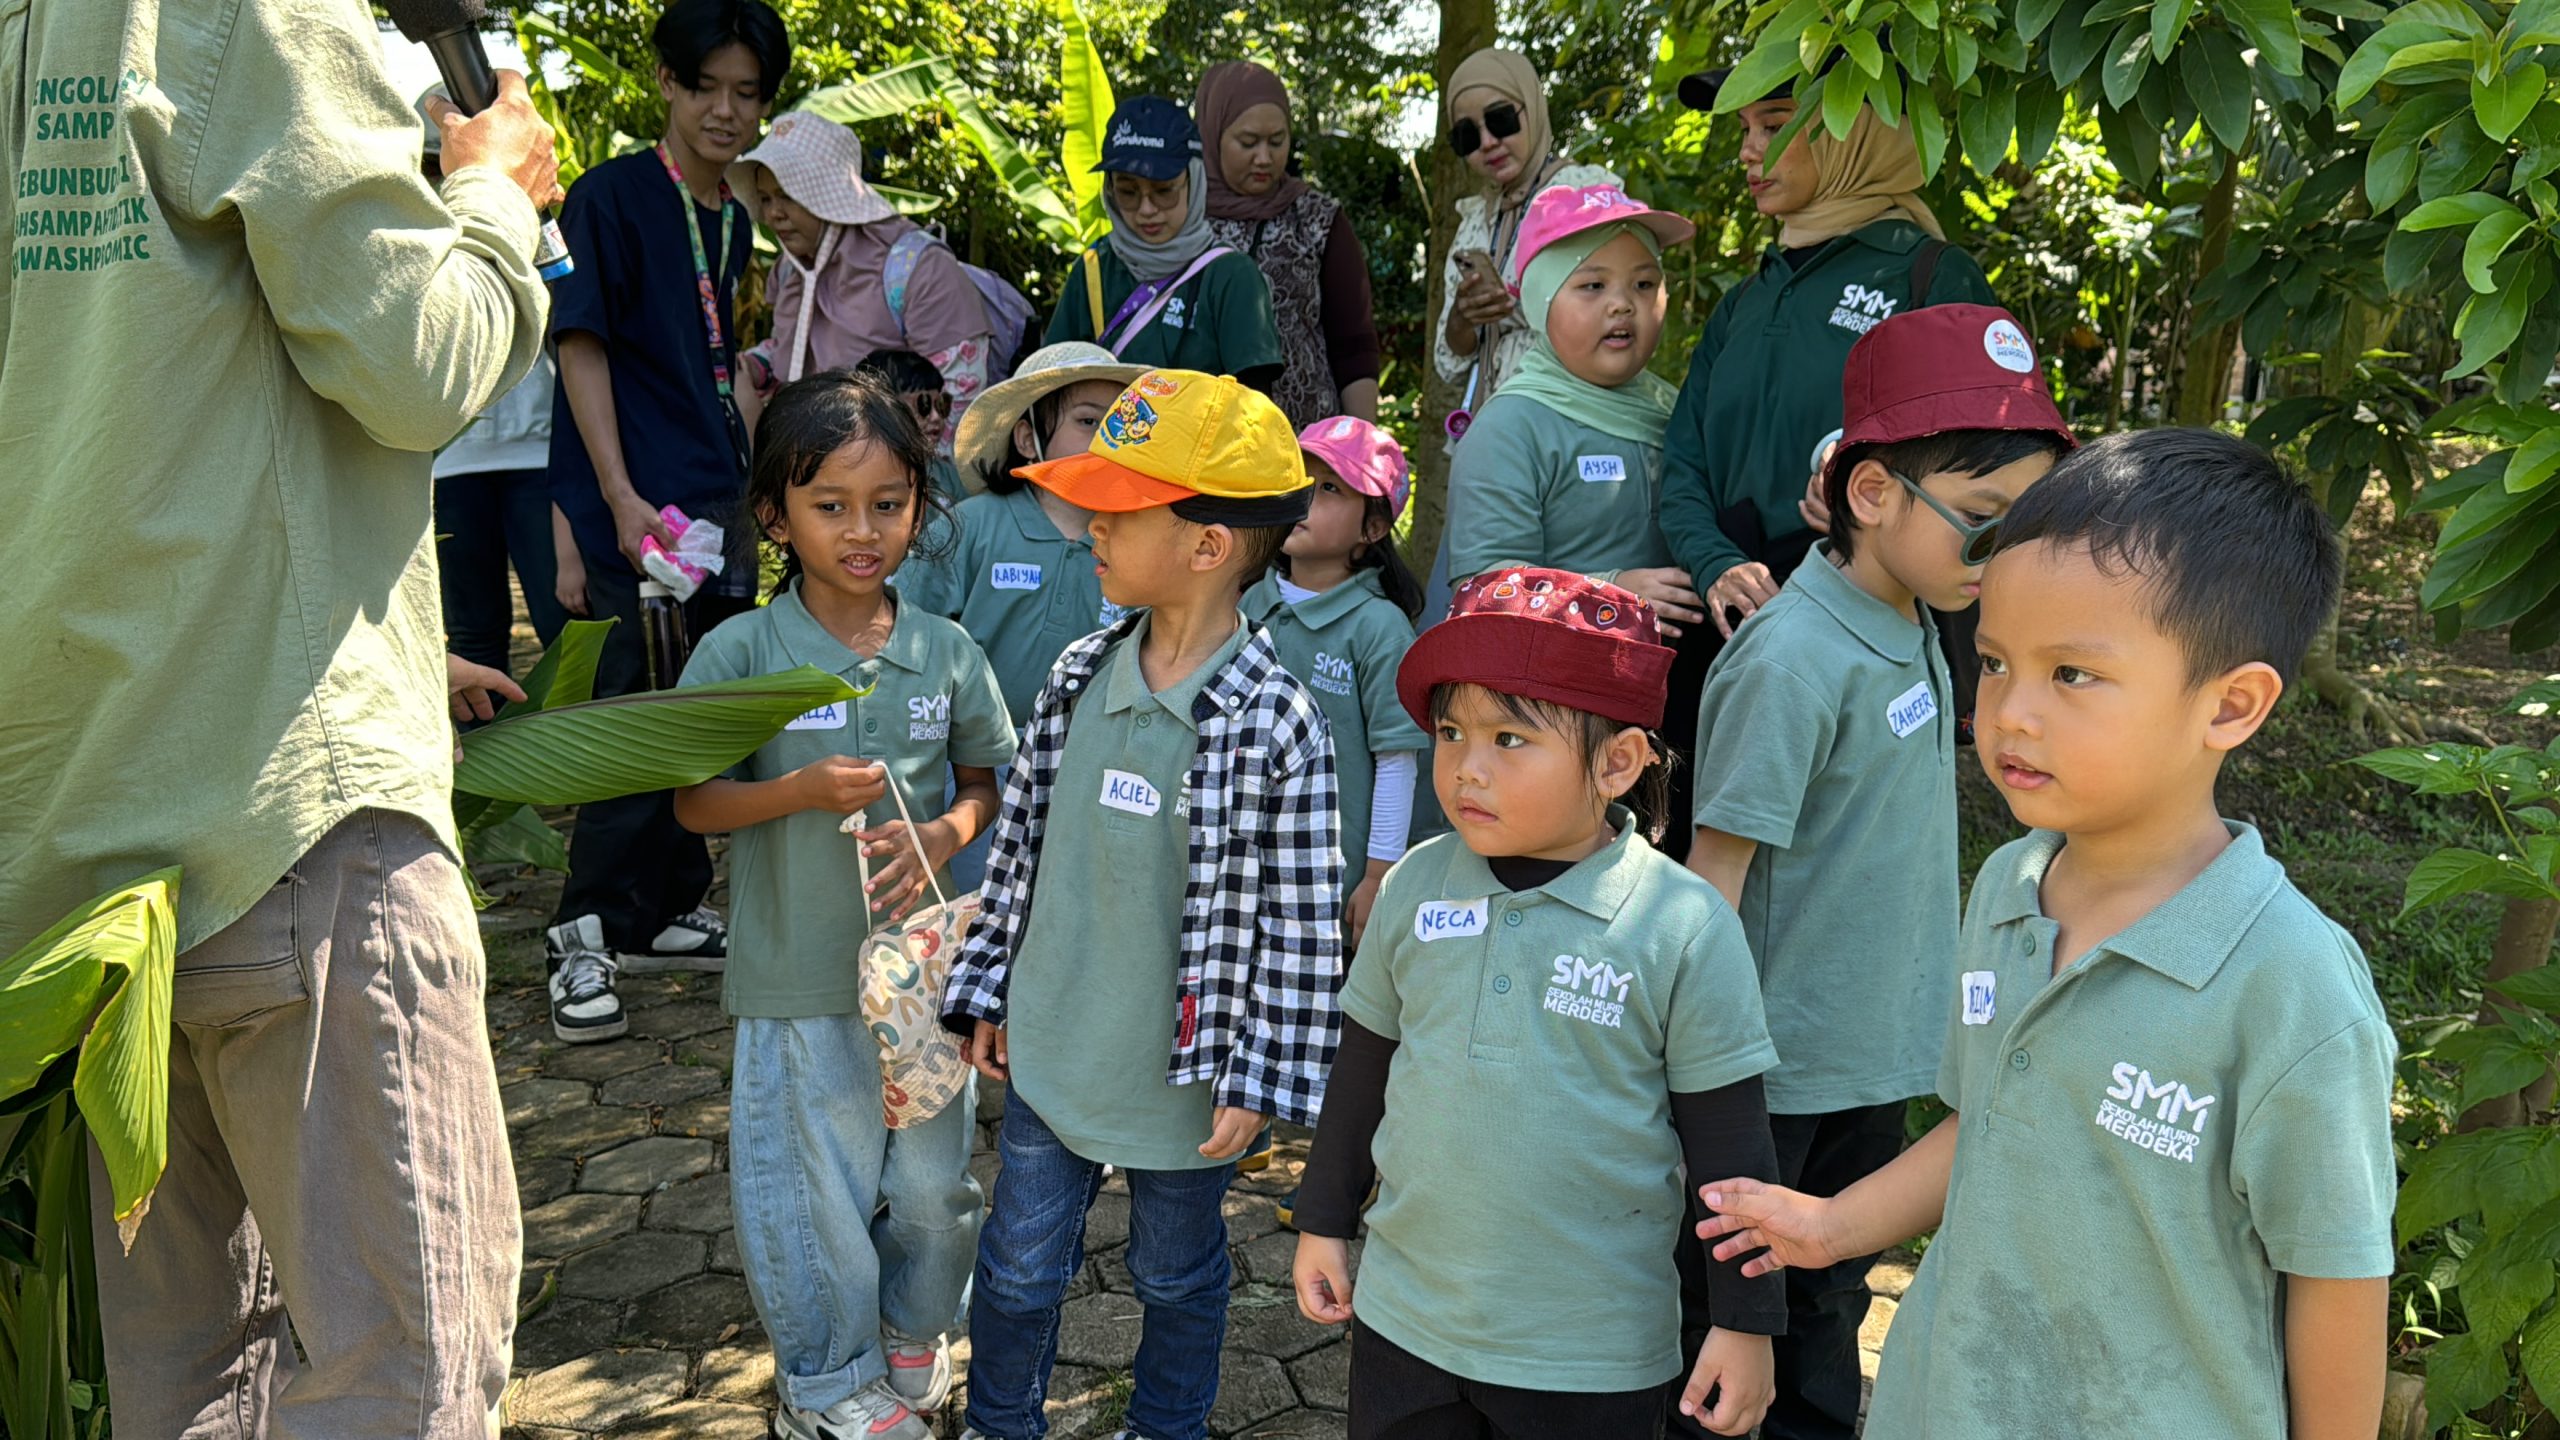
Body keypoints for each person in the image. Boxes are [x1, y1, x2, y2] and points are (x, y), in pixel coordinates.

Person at [0, 0, 557, 1431]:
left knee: (188, 1385)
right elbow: (421, 361)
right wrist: (495, 194)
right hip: (283, 814)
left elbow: (107, 412)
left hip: (86, 848)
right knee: (403, 1380)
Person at [1699, 429, 2396, 1440]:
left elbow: (2336, 1283)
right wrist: (1829, 1226)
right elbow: (1987, 1119)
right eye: (1992, 662)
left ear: (2231, 705)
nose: (2010, 715)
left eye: (2071, 674)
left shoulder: (2293, 988)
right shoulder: (2009, 889)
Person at [1680, 305, 2071, 1440]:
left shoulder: (1918, 621)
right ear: (1872, 493)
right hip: (1773, 1075)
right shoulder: (1792, 661)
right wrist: (1701, 1077)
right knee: (1734, 1327)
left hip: (1873, 1054)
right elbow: (1710, 881)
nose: (2001, 556)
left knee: (1829, 1305)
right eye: (1983, 523)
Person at [1289, 566, 1783, 1439]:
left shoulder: (1682, 925)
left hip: (1590, 1358)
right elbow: (1362, 1072)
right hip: (1406, 1326)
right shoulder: (1413, 886)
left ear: (1617, 763)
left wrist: (1745, 1325)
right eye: (1451, 732)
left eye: (1510, 738)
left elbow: (1730, 1149)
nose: (1466, 768)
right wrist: (1322, 1221)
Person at [941, 370, 1342, 1440]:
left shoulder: (1279, 723)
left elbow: (1302, 927)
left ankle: (1166, 1426)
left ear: (1207, 545)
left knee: (1176, 1273)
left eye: (1120, 510)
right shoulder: (1077, 675)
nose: (1091, 528)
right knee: (1018, 1269)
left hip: (1185, 1083)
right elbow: (1019, 851)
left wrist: (1259, 1077)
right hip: (1053, 1049)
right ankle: (999, 1424)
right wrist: (988, 985)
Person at [671, 370, 1012, 1440]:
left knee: (934, 1186)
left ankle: (914, 1328)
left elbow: (984, 783)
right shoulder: (740, 653)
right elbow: (693, 803)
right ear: (776, 516)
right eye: (831, 506)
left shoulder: (946, 650)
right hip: (796, 975)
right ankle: (824, 1383)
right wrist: (797, 792)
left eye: (888, 504)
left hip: (925, 979)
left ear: (920, 507)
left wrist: (947, 836)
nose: (863, 531)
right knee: (814, 1190)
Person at [1654, 69, 1998, 837]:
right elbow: (1683, 464)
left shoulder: (1930, 276)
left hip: (1862, 625)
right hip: (1726, 627)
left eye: (1775, 126)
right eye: (1744, 130)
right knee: (1700, 858)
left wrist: (1877, 490)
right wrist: (1715, 565)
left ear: (1854, 129)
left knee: (1834, 864)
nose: (1749, 151)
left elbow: (1990, 464)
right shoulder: (1745, 300)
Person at [544, 0, 792, 1043]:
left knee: (701, 710)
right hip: (640, 508)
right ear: (667, 84)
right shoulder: (607, 197)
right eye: (707, 88)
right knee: (632, 715)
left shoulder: (732, 214)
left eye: (747, 94)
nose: (726, 111)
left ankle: (665, 908)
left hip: (713, 503)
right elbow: (581, 345)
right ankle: (581, 935)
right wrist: (612, 494)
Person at [898, 341, 1149, 888]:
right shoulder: (971, 527)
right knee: (973, 905)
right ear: (1028, 438)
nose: (1108, 438)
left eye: (1121, 424)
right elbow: (905, 635)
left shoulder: (1139, 541)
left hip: (1094, 768)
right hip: (972, 771)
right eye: (1088, 421)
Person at [1443, 185, 1703, 637]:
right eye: (1593, 286)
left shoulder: (1680, 410)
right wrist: (1609, 593)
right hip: (1549, 678)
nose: (1622, 304)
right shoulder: (1510, 428)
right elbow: (1482, 592)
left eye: (1644, 284)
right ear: (1540, 299)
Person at [422, 90, 575, 673]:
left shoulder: (523, 206)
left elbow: (566, 316)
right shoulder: (409, 222)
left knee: (562, 624)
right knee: (473, 637)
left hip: (536, 453)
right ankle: (486, 735)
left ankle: (570, 735)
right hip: (452, 458)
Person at [734, 110, 994, 441]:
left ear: (829, 193)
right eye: (765, 198)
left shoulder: (918, 268)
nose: (773, 213)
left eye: (788, 195)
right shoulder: (793, 269)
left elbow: (961, 403)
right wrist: (753, 368)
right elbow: (793, 348)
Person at [1043, 96, 1285, 389]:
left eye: (1163, 190)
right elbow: (1050, 383)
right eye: (1128, 192)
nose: (1146, 209)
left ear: (1194, 182)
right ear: (1109, 191)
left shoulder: (1231, 275)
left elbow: (1255, 404)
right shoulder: (1093, 268)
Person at [1194, 60, 1382, 426]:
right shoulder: (1180, 221)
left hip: (1304, 439)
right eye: (1248, 142)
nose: (1264, 158)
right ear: (1212, 135)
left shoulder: (1317, 220)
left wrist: (1360, 442)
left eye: (1277, 141)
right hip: (1199, 435)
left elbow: (1354, 345)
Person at [1431, 48, 1619, 406]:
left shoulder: (1586, 196)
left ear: (1531, 108)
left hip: (1572, 414)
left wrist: (1516, 307)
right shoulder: (1475, 221)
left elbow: (1617, 311)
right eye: (1468, 136)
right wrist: (1463, 318)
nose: (1488, 142)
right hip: (1495, 421)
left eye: (1500, 119)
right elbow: (1450, 363)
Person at [855, 347, 965, 495]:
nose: (936, 417)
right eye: (923, 405)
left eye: (941, 404)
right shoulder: (854, 476)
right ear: (880, 409)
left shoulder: (949, 478)